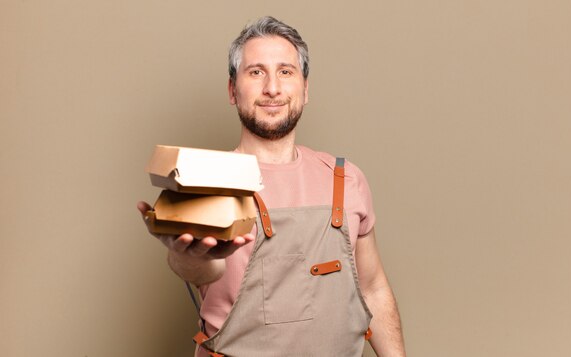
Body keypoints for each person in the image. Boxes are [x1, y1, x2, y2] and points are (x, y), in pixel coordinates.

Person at [138, 16, 406, 356]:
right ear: (233, 90)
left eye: (285, 71)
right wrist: (184, 254)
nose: (273, 88)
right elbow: (200, 270)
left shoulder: (346, 179)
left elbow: (374, 288)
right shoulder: (205, 182)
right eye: (256, 72)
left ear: (305, 89)